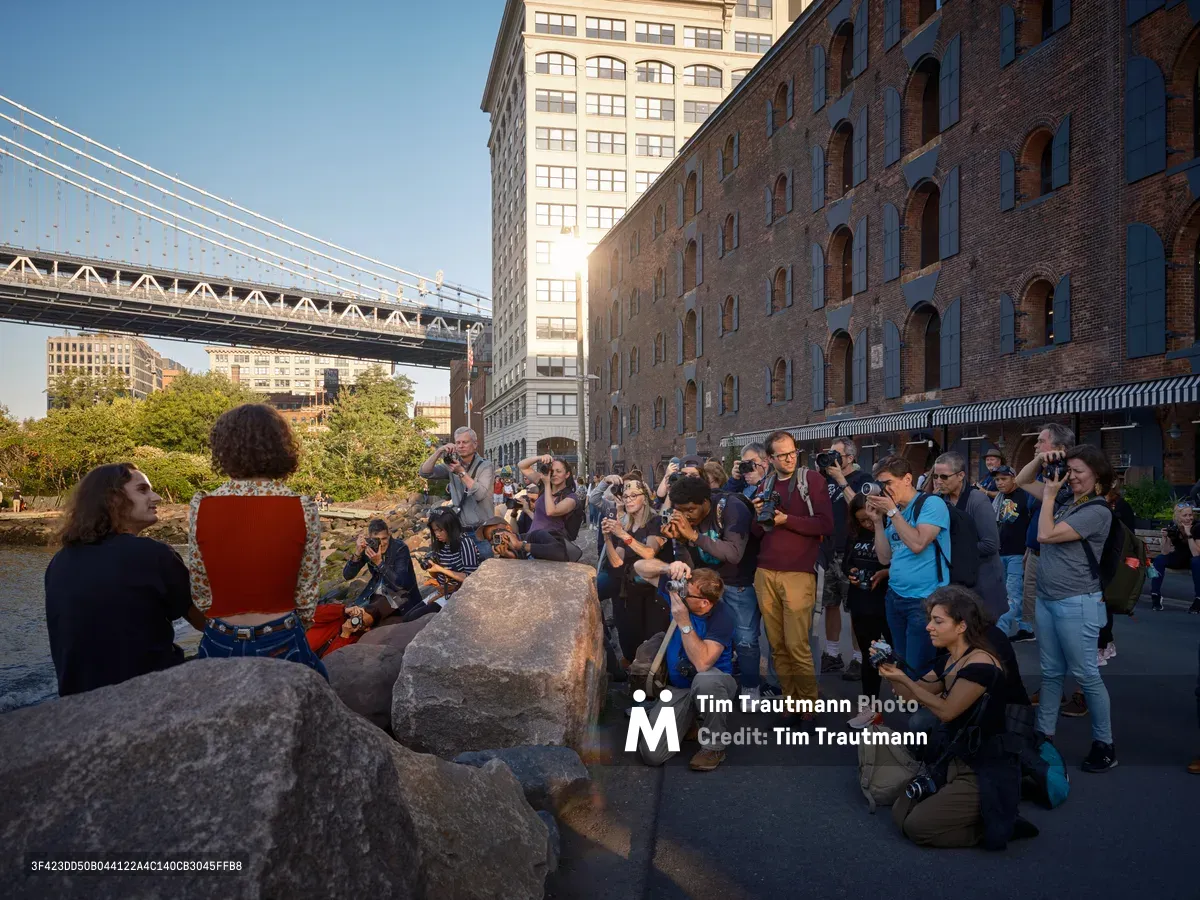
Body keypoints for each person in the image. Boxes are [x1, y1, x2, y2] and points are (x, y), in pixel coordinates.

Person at [188, 404, 327, 676]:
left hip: (220, 636)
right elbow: (307, 588)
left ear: (224, 449)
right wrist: (302, 623)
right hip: (280, 635)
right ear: (280, 447)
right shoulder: (302, 506)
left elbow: (201, 589)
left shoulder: (201, 505)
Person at [45, 463, 204, 697]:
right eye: (143, 490)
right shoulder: (153, 554)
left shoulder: (58, 562)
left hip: (77, 702)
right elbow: (206, 623)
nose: (156, 497)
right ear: (114, 499)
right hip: (149, 693)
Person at [884, 586, 1025, 850]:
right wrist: (889, 671)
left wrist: (906, 681)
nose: (929, 627)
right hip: (952, 759)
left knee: (916, 828)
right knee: (899, 811)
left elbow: (947, 710)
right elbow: (913, 695)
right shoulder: (950, 660)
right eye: (930, 620)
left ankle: (992, 827)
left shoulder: (981, 663)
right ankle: (982, 816)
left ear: (961, 626)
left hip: (981, 769)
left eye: (938, 621)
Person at [1015, 443, 1117, 772]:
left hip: (1078, 602)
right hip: (1047, 598)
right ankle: (1044, 734)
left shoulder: (1097, 511)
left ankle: (1105, 745)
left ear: (1098, 476)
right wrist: (1041, 459)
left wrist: (1048, 495)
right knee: (1051, 672)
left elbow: (1045, 534)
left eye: (1078, 472)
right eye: (1069, 470)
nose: (1070, 477)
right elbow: (1020, 480)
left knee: (1086, 676)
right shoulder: (1066, 501)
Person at [750, 432, 835, 722]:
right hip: (766, 571)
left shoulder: (811, 480)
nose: (790, 457)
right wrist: (758, 514)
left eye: (793, 452)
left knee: (797, 643)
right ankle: (790, 700)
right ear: (770, 459)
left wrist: (787, 520)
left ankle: (808, 705)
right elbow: (757, 532)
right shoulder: (766, 483)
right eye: (783, 454)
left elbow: (826, 524)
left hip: (798, 571)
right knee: (777, 644)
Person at [631, 560, 737, 772]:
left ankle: (714, 746)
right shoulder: (682, 596)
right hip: (679, 687)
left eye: (686, 593)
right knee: (652, 754)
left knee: (704, 681)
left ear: (705, 603)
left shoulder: (723, 616)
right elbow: (638, 568)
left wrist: (684, 623)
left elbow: (702, 663)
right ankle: (688, 722)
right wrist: (667, 568)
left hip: (715, 682)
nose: (679, 594)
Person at [662, 476, 761, 698]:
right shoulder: (684, 518)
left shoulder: (731, 508)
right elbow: (686, 562)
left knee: (745, 640)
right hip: (703, 585)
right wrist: (680, 540)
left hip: (737, 582)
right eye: (681, 510)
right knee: (709, 637)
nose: (687, 516)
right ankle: (717, 682)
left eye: (691, 510)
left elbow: (734, 554)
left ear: (706, 501)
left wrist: (693, 535)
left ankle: (751, 686)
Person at [865, 456, 951, 676]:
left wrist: (892, 512)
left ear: (907, 479)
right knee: (901, 663)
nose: (884, 490)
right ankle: (908, 703)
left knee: (917, 667)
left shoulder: (931, 504)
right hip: (895, 598)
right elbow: (885, 558)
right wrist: (877, 521)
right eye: (880, 485)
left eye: (888, 483)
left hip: (924, 600)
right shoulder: (896, 512)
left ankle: (920, 707)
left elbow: (917, 543)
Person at [718, 442, 782, 698]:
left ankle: (777, 686)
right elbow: (721, 505)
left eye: (752, 463)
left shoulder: (776, 485)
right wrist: (733, 481)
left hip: (773, 567)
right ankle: (752, 686)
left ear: (766, 461)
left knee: (778, 635)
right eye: (743, 464)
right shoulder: (739, 488)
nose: (747, 469)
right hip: (745, 571)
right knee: (746, 636)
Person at [931, 451, 1007, 623]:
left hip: (982, 580)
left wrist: (955, 550)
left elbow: (990, 544)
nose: (938, 481)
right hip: (954, 581)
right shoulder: (937, 500)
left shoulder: (977, 500)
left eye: (944, 476)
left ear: (961, 475)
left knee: (982, 634)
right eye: (935, 476)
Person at [819, 437, 872, 679]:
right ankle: (831, 654)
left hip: (854, 552)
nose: (832, 458)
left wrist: (841, 481)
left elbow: (862, 509)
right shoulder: (825, 479)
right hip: (828, 551)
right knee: (830, 604)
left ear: (850, 458)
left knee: (855, 609)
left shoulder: (863, 480)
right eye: (830, 453)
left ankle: (859, 658)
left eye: (836, 454)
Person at [599, 478, 669, 663]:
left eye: (633, 496)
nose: (628, 500)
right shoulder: (628, 525)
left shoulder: (655, 521)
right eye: (625, 496)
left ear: (644, 498)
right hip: (627, 592)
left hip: (651, 594)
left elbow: (649, 552)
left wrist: (622, 534)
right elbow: (617, 562)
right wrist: (608, 538)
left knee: (651, 643)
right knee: (629, 641)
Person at [843, 494, 892, 728]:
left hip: (888, 601)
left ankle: (918, 705)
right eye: (862, 521)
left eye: (871, 519)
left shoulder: (891, 528)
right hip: (862, 601)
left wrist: (885, 573)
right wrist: (851, 572)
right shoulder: (855, 534)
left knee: (900, 656)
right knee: (868, 658)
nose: (868, 524)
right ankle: (870, 709)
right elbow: (845, 562)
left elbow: (903, 561)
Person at [418, 427, 496, 561]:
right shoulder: (452, 465)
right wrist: (439, 451)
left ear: (475, 444)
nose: (461, 446)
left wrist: (461, 473)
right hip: (460, 531)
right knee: (462, 572)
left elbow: (480, 495)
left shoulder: (485, 466)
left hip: (482, 532)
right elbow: (425, 473)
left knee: (484, 571)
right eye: (458, 442)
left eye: (465, 442)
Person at [341, 518, 420, 628]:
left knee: (365, 616)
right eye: (376, 540)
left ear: (389, 535)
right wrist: (358, 553)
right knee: (351, 613)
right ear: (370, 538)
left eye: (384, 539)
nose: (381, 544)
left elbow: (400, 584)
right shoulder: (369, 548)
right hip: (377, 590)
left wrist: (379, 563)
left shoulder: (400, 548)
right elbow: (347, 575)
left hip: (398, 594)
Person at [992, 466, 1035, 641]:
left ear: (1013, 478)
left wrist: (1028, 549)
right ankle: (1025, 628)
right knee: (1006, 593)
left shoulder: (1024, 495)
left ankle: (1000, 632)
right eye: (997, 480)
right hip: (1002, 551)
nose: (1000, 483)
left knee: (1013, 594)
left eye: (1004, 479)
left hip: (1018, 552)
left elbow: (1031, 523)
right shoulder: (1000, 498)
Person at [413, 507, 481, 617]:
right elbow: (437, 574)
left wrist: (440, 569)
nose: (437, 535)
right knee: (408, 617)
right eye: (435, 530)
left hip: (457, 593)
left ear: (451, 527)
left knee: (414, 618)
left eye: (440, 530)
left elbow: (470, 577)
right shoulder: (442, 544)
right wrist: (432, 567)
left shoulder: (464, 543)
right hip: (442, 591)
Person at [1149, 502, 1200, 613]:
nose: (1189, 518)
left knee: (1196, 561)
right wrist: (1165, 538)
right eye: (1185, 515)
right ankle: (1155, 595)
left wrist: (1189, 534)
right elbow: (1165, 552)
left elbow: (1196, 553)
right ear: (1178, 517)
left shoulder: (1197, 526)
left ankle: (1198, 599)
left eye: (1190, 515)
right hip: (1180, 557)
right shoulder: (1173, 526)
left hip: (1194, 559)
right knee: (1159, 559)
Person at [518, 453, 579, 536]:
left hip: (552, 542)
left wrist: (547, 484)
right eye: (552, 471)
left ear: (567, 474)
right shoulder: (543, 485)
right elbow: (522, 466)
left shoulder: (571, 497)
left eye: (558, 471)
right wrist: (540, 457)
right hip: (533, 537)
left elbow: (551, 511)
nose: (554, 474)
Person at [480, 516, 584, 562]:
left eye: (495, 533)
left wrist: (521, 545)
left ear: (508, 528)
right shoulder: (506, 554)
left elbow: (561, 552)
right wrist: (509, 556)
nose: (495, 540)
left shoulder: (534, 536)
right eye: (490, 539)